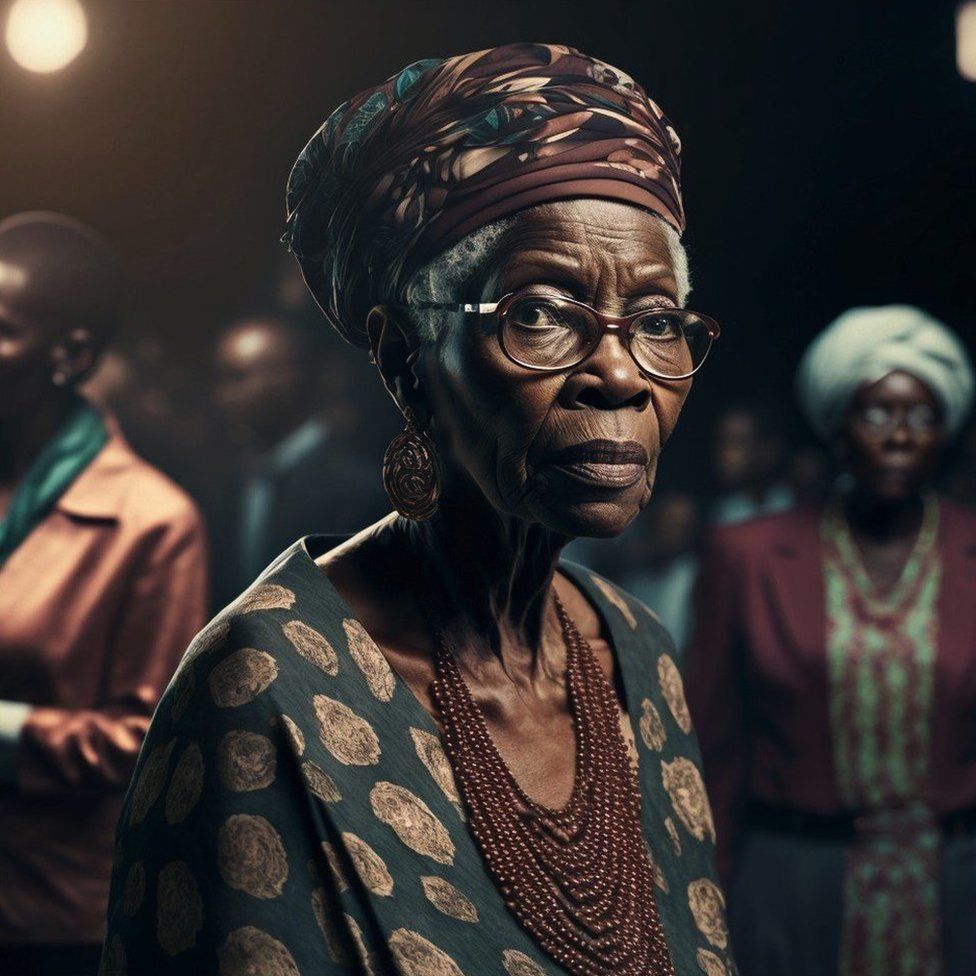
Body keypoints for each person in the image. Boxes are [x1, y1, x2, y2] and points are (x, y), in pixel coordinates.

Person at [102, 44, 734, 976]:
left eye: (655, 320)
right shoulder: (264, 688)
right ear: (405, 357)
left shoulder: (637, 654)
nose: (617, 374)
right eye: (543, 312)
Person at [686, 305, 976, 976]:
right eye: (877, 413)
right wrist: (706, 900)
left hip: (956, 890)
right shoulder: (748, 557)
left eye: (922, 416)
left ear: (945, 433)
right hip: (792, 885)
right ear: (838, 428)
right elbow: (713, 749)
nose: (900, 436)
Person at [0, 212, 209, 975]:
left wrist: (5, 732)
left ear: (72, 355)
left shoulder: (151, 522)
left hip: (47, 918)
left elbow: (144, 745)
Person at [209, 314, 386, 606]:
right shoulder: (238, 484)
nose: (223, 397)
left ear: (287, 379)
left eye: (237, 378)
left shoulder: (355, 487)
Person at [619, 491, 702, 659]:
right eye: (667, 523)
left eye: (681, 527)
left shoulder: (696, 578)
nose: (672, 533)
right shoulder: (635, 578)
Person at [709, 404, 792, 525]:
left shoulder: (793, 501)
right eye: (722, 443)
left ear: (767, 449)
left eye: (736, 443)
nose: (724, 455)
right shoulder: (719, 516)